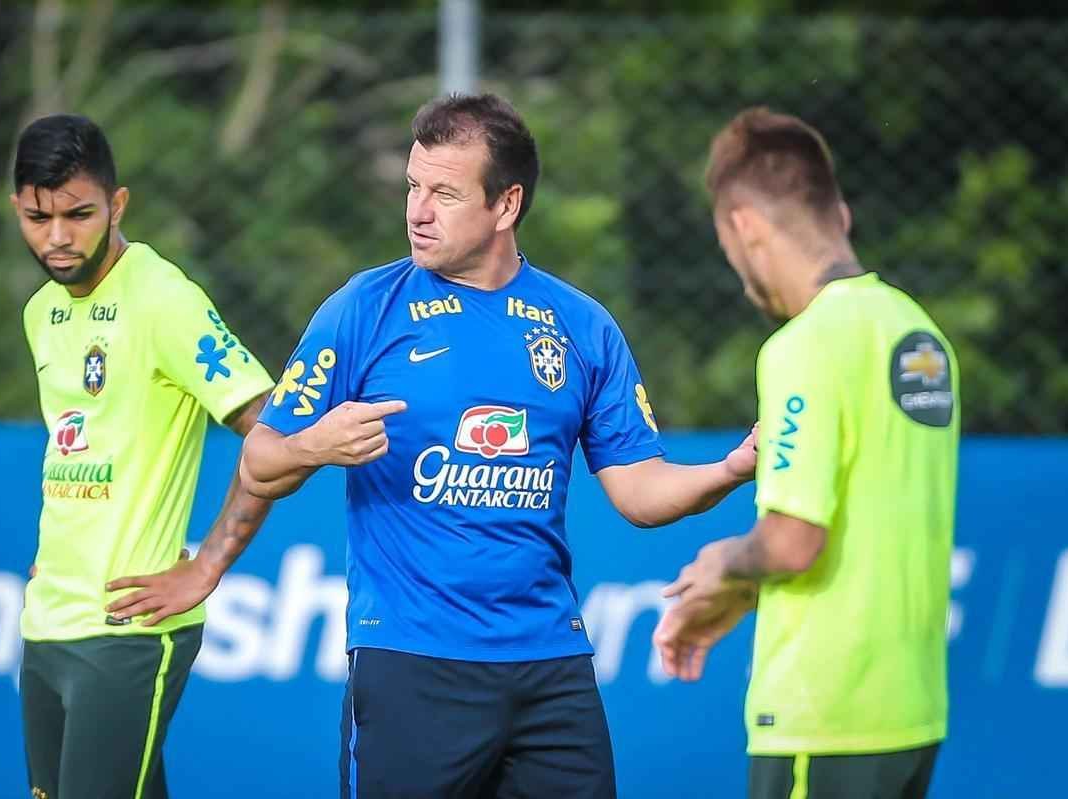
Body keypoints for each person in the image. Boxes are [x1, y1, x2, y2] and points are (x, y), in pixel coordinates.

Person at [238, 92, 756, 799]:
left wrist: (733, 467)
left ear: (506, 204)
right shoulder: (365, 307)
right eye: (413, 186)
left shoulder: (580, 326)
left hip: (551, 665)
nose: (417, 210)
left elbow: (639, 491)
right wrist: (314, 445)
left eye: (444, 193)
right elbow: (259, 461)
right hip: (412, 658)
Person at [652, 107, 960, 799]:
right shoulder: (920, 335)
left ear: (745, 227)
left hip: (823, 717)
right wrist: (743, 591)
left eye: (730, 252)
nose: (739, 275)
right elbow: (866, 531)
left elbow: (794, 542)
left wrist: (719, 563)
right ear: (840, 216)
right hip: (910, 713)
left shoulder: (804, 344)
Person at [13, 113, 281, 799]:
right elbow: (77, 439)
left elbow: (273, 431)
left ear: (117, 204)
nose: (59, 237)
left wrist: (210, 562)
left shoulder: (165, 299)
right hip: (47, 619)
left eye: (79, 214)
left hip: (129, 629)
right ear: (19, 207)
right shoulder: (41, 311)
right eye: (40, 217)